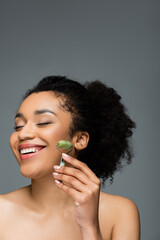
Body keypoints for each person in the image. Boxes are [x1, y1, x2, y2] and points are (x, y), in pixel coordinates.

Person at [0, 76, 140, 240]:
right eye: (18, 126)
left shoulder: (120, 213)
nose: (22, 134)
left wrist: (90, 227)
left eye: (43, 122)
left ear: (80, 140)